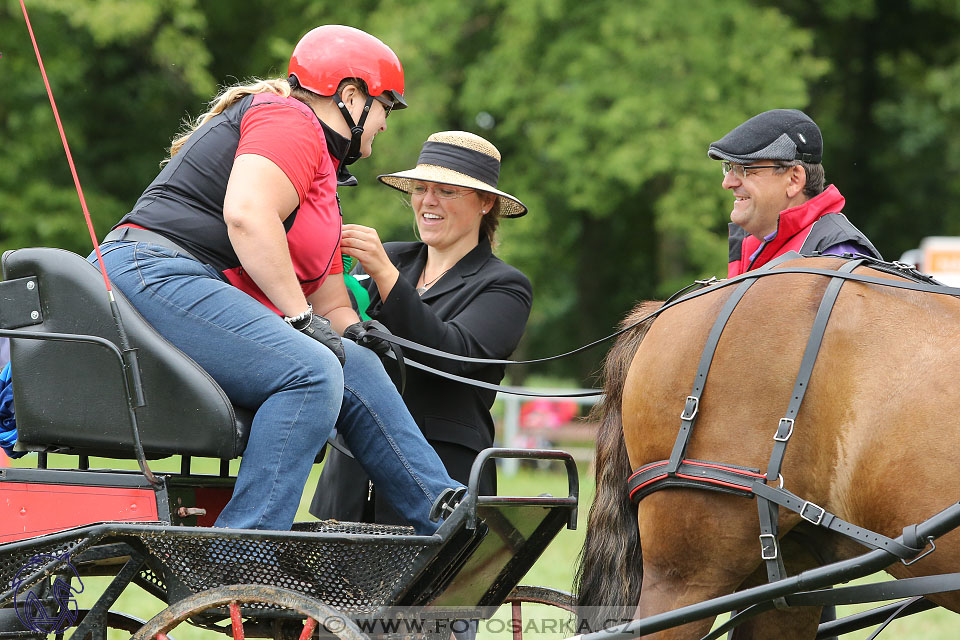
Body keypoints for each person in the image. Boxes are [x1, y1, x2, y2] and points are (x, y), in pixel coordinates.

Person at [89, 25, 462, 534]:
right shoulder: (290, 119)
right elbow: (247, 215)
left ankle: (443, 512)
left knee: (353, 363)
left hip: (189, 286)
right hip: (149, 272)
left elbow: (329, 299)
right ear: (350, 97)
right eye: (386, 106)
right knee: (310, 371)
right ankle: (246, 553)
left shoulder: (325, 179)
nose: (386, 124)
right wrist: (302, 321)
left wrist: (355, 332)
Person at [310, 131, 532, 525]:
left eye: (447, 191)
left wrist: (385, 275)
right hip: (349, 477)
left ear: (486, 203)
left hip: (441, 479)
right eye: (421, 188)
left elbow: (452, 353)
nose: (428, 201)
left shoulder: (505, 285)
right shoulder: (392, 258)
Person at [708, 109, 882, 277]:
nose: (727, 183)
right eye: (729, 168)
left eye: (744, 169)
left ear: (794, 180)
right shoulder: (752, 245)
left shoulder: (837, 254)